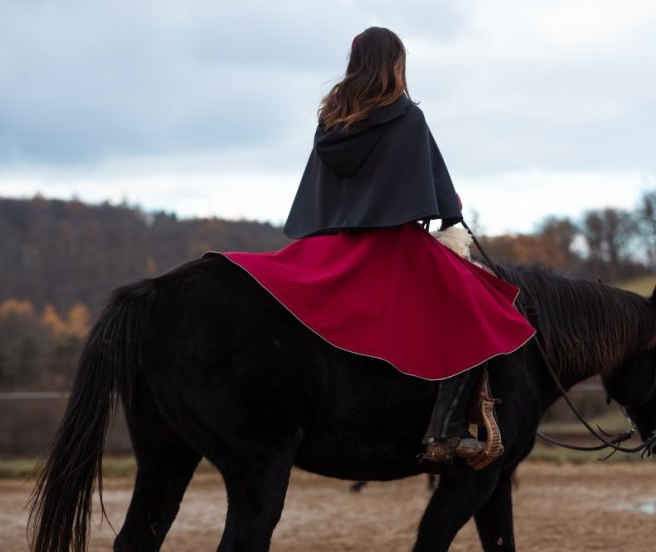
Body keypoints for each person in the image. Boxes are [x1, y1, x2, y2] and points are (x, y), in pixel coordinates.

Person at [223, 27, 535, 464]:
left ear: (355, 64)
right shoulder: (407, 118)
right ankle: (444, 430)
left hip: (331, 244)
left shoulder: (330, 120)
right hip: (390, 245)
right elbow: (438, 193)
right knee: (474, 305)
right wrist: (450, 214)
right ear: (395, 64)